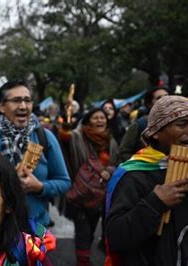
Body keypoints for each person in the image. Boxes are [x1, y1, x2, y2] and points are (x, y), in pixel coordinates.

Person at [105, 96, 188, 265]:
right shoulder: (133, 175)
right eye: (182, 124)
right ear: (156, 133)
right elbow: (116, 238)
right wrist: (155, 203)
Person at [0, 79, 70, 227]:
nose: (23, 106)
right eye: (16, 100)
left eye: (27, 100)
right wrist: (5, 183)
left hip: (34, 228)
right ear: (2, 107)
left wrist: (39, 187)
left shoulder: (45, 137)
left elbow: (64, 182)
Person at [57, 107, 119, 265]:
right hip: (81, 194)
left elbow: (116, 162)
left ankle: (84, 256)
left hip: (100, 196)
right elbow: (65, 137)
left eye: (103, 118)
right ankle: (83, 262)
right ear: (87, 121)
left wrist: (109, 170)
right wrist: (66, 122)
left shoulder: (110, 141)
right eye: (96, 117)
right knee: (83, 233)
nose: (100, 120)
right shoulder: (78, 137)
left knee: (91, 232)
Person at [118, 86, 169, 162]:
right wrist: (142, 164)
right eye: (159, 98)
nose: (165, 100)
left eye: (167, 97)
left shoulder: (180, 123)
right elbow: (124, 151)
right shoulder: (139, 124)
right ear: (150, 104)